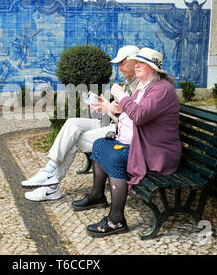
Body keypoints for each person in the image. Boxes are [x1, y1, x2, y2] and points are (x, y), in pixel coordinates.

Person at [71, 47, 181, 238]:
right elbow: (131, 114)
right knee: (99, 145)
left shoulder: (162, 89)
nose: (137, 65)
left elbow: (139, 115)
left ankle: (116, 220)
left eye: (142, 63)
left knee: (116, 157)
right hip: (144, 146)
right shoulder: (145, 87)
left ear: (153, 68)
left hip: (158, 153)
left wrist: (121, 95)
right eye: (136, 62)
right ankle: (98, 195)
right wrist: (111, 107)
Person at [21, 45, 141, 202]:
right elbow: (122, 113)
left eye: (122, 63)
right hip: (114, 125)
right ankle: (49, 171)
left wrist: (108, 109)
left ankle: (51, 186)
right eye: (117, 64)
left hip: (120, 131)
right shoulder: (128, 82)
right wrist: (106, 106)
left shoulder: (141, 86)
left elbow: (132, 123)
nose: (119, 68)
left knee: (74, 139)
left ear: (135, 61)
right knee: (72, 124)